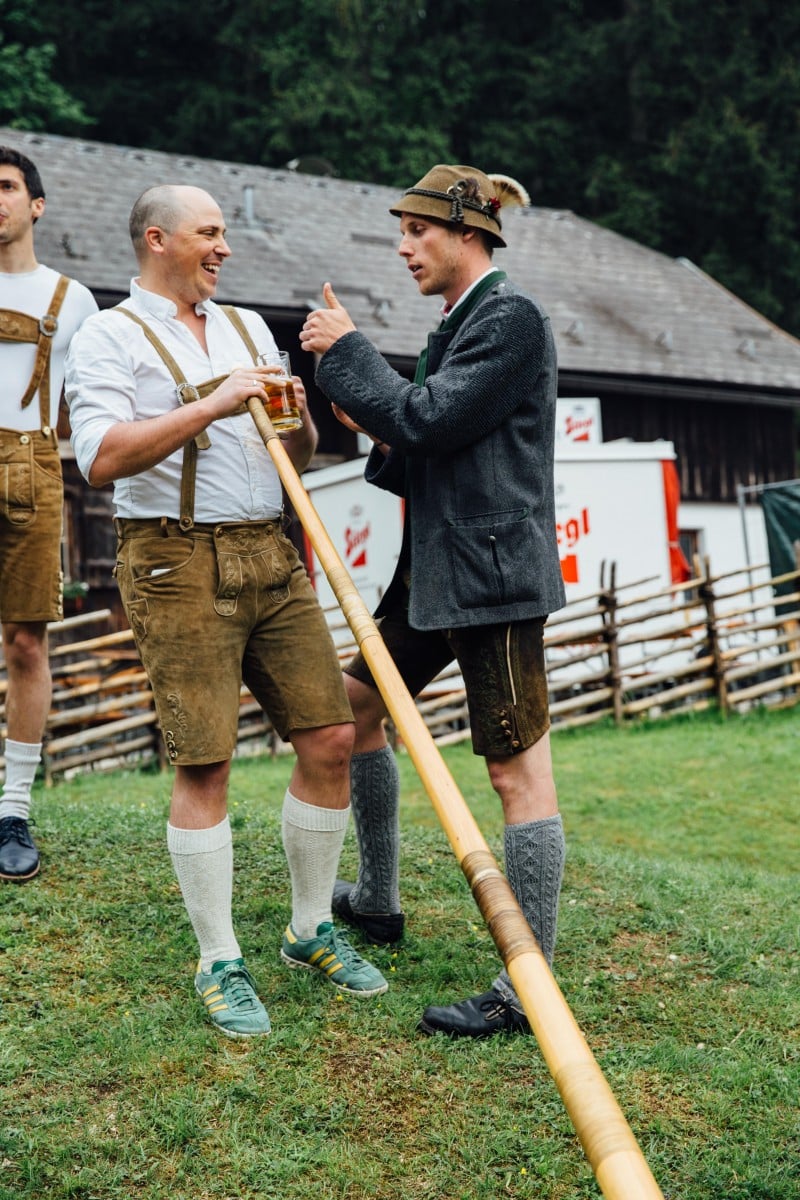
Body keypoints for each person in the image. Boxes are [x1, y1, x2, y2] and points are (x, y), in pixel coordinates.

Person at [65, 184, 387, 1038]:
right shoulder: (107, 334)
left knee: (329, 733)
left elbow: (298, 449)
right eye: (211, 234)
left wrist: (299, 416)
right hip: (172, 558)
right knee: (204, 760)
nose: (225, 249)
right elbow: (98, 458)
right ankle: (218, 959)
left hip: (270, 548)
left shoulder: (247, 325)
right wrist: (211, 401)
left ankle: (309, 928)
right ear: (158, 238)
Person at [300, 164, 567, 1038]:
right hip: (438, 567)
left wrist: (347, 356)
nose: (404, 247)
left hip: (490, 576)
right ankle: (377, 898)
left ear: (467, 233)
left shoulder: (510, 318)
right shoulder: (455, 325)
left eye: (417, 232)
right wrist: (374, 419)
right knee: (356, 706)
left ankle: (528, 986)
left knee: (515, 772)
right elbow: (422, 444)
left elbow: (428, 420)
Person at [0, 146, 98, 883]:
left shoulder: (74, 300)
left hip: (34, 461)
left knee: (26, 642)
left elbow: (95, 407)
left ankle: (14, 809)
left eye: (5, 188)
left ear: (36, 204)